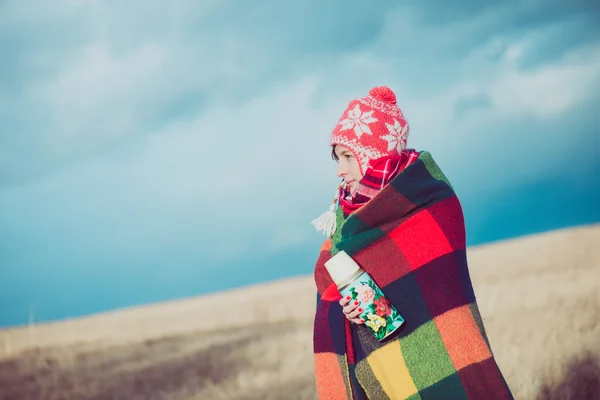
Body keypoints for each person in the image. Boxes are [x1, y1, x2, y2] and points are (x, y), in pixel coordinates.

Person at [311, 86, 514, 399]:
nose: (340, 170)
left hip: (441, 349)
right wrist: (346, 308)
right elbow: (328, 282)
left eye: (349, 157)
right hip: (378, 359)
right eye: (337, 158)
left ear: (374, 153)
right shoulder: (343, 218)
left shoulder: (428, 198)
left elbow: (438, 290)